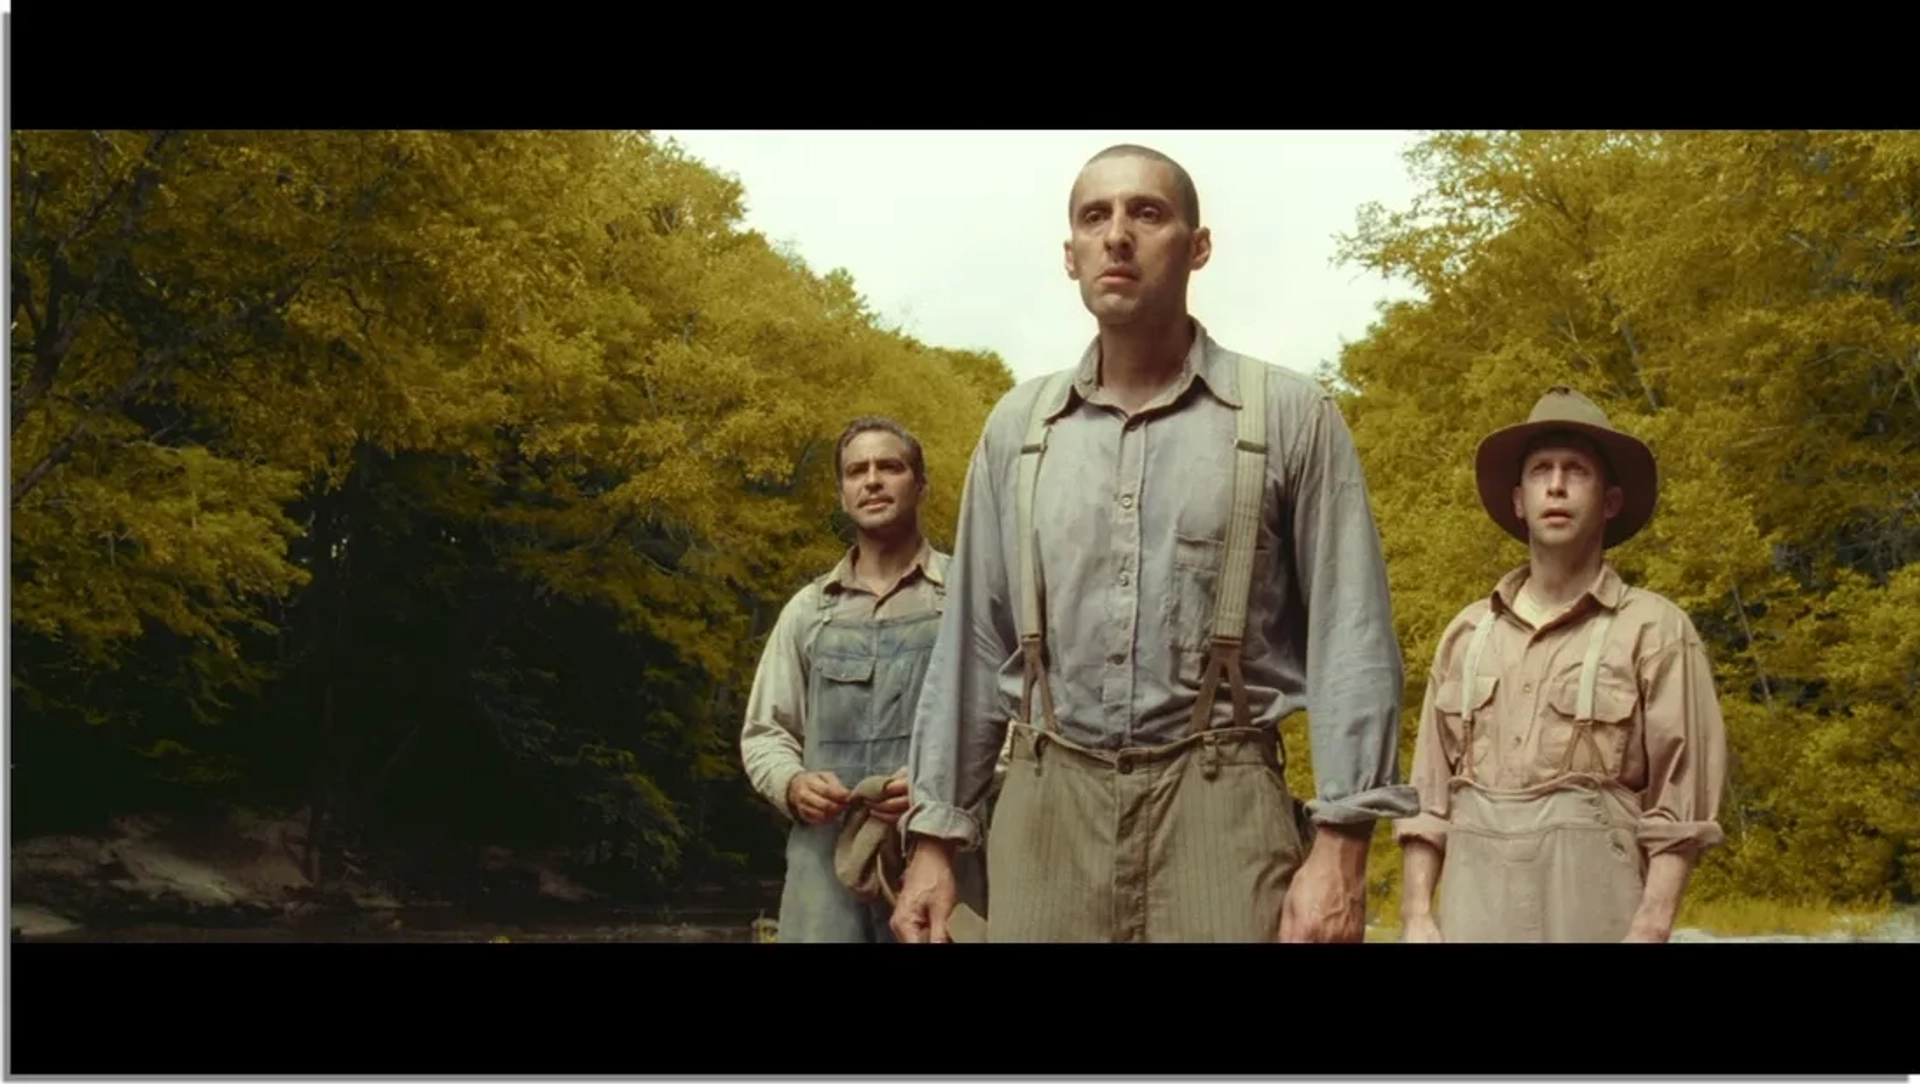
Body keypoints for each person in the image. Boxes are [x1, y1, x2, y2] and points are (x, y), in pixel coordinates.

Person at [888, 143, 1419, 943]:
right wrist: (935, 838)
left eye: (1147, 212)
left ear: (1197, 246)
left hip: (1222, 801)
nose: (1118, 236)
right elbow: (971, 645)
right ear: (1070, 256)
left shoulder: (1290, 416)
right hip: (1046, 802)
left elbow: (1352, 637)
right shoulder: (1017, 431)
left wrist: (1342, 847)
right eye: (1094, 217)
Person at [1393, 386, 1728, 943]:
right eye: (1540, 471)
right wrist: (1416, 915)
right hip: (1472, 913)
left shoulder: (1655, 630)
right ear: (1519, 500)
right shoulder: (1468, 634)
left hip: (1599, 917)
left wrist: (1650, 926)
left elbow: (1681, 804)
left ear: (1611, 501)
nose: (1555, 485)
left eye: (1576, 471)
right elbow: (1428, 796)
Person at [738, 416, 985, 942]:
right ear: (843, 493)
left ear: (919, 484)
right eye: (857, 471)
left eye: (889, 467)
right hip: (821, 870)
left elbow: (1012, 725)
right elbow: (765, 733)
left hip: (941, 856)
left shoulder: (968, 598)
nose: (872, 480)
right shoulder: (807, 612)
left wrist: (937, 790)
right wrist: (792, 783)